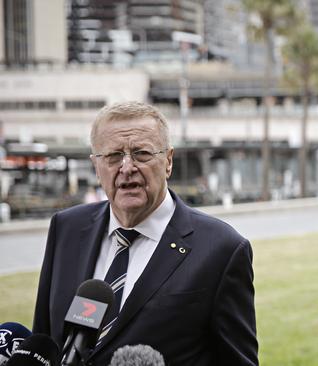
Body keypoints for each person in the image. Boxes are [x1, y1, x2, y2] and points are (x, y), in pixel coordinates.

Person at [33, 101, 258, 365]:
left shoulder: (222, 249)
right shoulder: (66, 229)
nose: (127, 167)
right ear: (96, 165)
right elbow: (43, 341)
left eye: (141, 153)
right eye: (113, 156)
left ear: (168, 161)